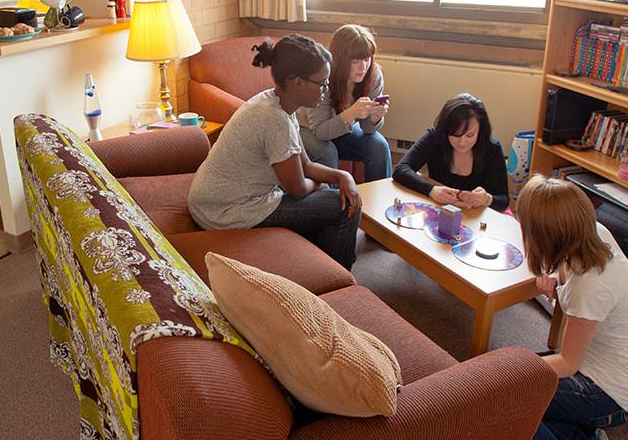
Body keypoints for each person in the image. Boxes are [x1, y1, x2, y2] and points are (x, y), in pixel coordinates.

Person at [515, 175, 628, 440]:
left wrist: (517, 376)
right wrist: (553, 276)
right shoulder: (594, 235)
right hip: (601, 372)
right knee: (518, 384)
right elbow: (561, 272)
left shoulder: (592, 285)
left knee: (514, 402)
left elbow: (568, 363)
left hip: (605, 392)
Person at [188, 35, 363, 269]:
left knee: (333, 193)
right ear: (297, 82)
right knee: (344, 206)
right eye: (322, 83)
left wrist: (343, 176)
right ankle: (338, 275)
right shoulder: (274, 119)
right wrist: (321, 185)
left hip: (215, 199)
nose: (326, 90)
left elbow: (307, 166)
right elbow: (298, 188)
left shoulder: (277, 103)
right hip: (226, 211)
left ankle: (317, 261)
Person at [296, 24, 392, 180]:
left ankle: (379, 200)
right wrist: (351, 114)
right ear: (339, 60)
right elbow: (320, 131)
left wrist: (375, 118)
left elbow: (367, 129)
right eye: (354, 61)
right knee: (328, 152)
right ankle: (334, 202)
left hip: (342, 127)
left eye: (366, 59)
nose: (363, 67)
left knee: (378, 146)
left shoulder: (374, 75)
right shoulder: (322, 75)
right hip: (306, 127)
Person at [392, 93, 509, 211]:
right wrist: (432, 190)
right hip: (439, 209)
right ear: (445, 129)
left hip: (476, 217)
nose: (462, 142)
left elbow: (503, 201)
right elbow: (401, 169)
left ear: (480, 129)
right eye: (455, 135)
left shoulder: (491, 148)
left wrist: (486, 199)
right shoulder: (435, 137)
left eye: (470, 135)